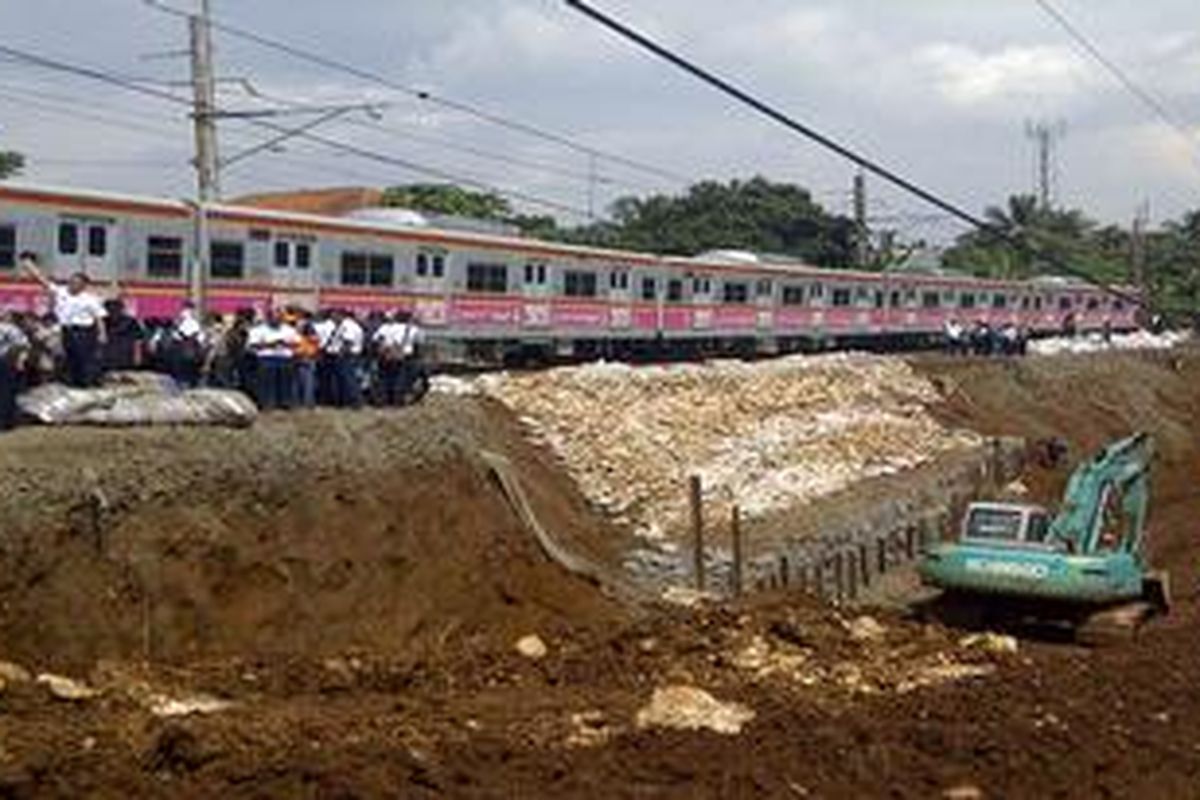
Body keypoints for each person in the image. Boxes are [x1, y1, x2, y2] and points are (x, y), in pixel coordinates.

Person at [20, 253, 106, 387]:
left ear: (83, 285)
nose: (72, 284)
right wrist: (30, 266)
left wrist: (102, 333)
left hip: (83, 332)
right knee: (67, 359)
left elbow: (99, 317)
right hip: (66, 330)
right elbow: (43, 280)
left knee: (82, 360)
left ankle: (84, 384)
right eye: (71, 281)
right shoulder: (62, 292)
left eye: (76, 283)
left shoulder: (90, 299)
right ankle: (67, 383)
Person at [246, 311, 299, 410]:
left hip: (284, 358)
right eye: (274, 318)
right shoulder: (258, 330)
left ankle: (285, 403)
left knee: (285, 382)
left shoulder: (289, 330)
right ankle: (266, 403)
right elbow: (252, 345)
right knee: (267, 383)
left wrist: (285, 343)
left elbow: (297, 343)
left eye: (279, 318)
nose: (276, 320)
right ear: (268, 318)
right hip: (266, 358)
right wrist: (270, 344)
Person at [326, 308, 364, 408]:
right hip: (343, 355)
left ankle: (354, 402)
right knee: (343, 380)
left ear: (340, 315)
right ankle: (345, 401)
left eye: (334, 316)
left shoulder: (348, 326)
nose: (332, 318)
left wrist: (341, 354)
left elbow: (348, 342)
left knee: (349, 380)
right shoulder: (342, 325)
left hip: (347, 356)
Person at [0, 311, 30, 431]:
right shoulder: (13, 329)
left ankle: (6, 421)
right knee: (7, 392)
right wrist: (20, 360)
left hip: (5, 361)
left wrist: (19, 360)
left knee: (5, 392)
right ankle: (7, 421)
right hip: (7, 362)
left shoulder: (11, 329)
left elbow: (23, 345)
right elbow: (24, 345)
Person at [169, 302, 206, 388]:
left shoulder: (183, 322)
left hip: (183, 351)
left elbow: (176, 337)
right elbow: (201, 338)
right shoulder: (194, 323)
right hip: (192, 350)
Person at [102, 298, 145, 372]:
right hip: (108, 360)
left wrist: (137, 356)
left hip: (126, 358)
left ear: (121, 309)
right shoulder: (104, 322)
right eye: (109, 309)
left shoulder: (130, 321)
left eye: (115, 309)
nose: (113, 312)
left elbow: (138, 340)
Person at [293, 316, 321, 408]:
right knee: (298, 383)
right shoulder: (297, 337)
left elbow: (314, 350)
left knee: (308, 383)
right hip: (298, 360)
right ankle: (298, 402)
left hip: (308, 360)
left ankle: (308, 403)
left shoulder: (312, 338)